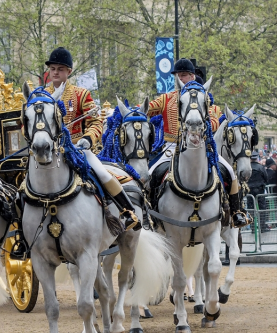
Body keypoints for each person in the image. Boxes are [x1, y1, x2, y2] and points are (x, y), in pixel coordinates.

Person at [147, 58, 251, 228]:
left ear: (193, 76)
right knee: (149, 176)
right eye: (179, 76)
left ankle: (236, 212)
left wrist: (204, 126)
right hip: (172, 147)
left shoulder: (204, 97)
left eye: (185, 75)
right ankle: (149, 214)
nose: (182, 78)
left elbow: (216, 118)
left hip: (201, 147)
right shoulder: (166, 98)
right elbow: (147, 109)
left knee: (230, 174)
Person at [44, 47, 140, 230]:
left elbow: (95, 122)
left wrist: (88, 139)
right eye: (53, 68)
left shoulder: (81, 94)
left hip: (78, 150)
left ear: (68, 72)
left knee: (103, 173)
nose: (55, 72)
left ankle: (127, 212)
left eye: (60, 69)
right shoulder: (41, 95)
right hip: (49, 152)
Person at [248, 151, 268, 230]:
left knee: (251, 209)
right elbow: (266, 178)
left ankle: (253, 228)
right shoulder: (261, 167)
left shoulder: (248, 167)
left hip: (249, 190)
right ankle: (262, 227)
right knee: (262, 209)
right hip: (260, 190)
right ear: (256, 158)